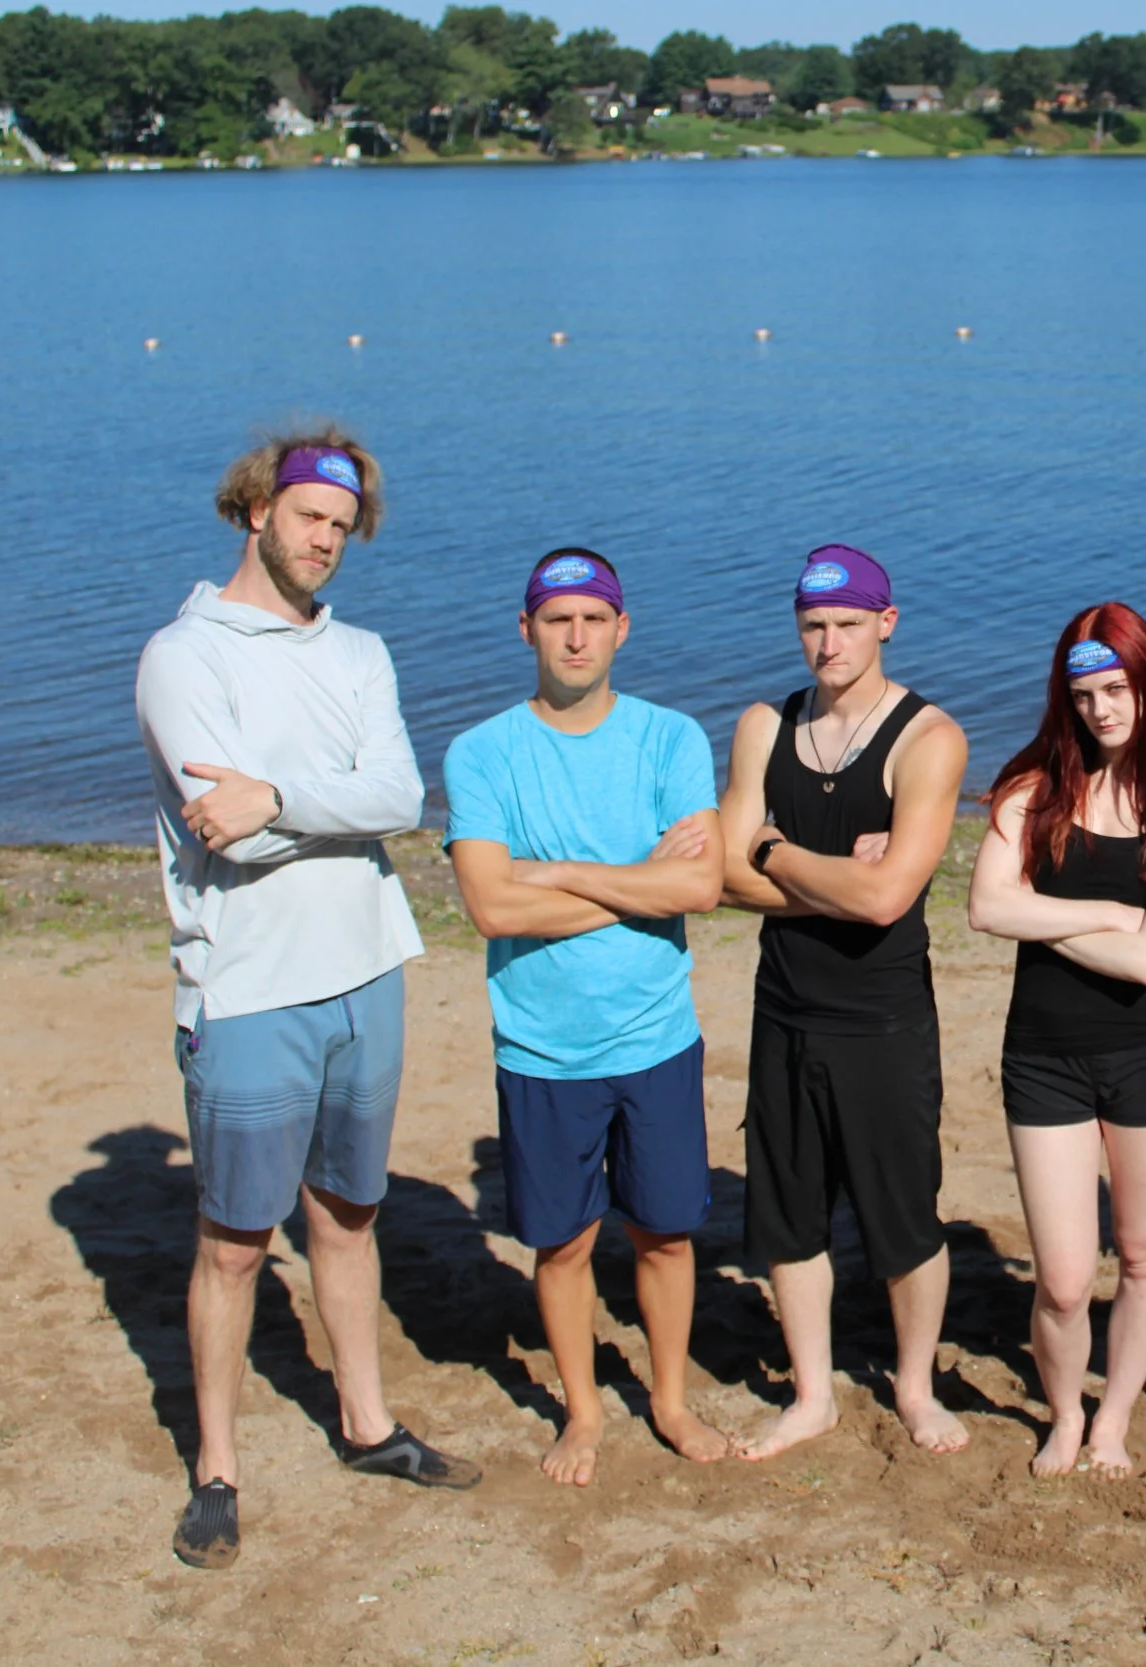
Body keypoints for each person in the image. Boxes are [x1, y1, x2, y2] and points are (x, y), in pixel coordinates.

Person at [135, 428, 478, 1571]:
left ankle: (368, 1424)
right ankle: (217, 1467)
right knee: (236, 1242)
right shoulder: (185, 654)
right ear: (257, 512)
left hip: (367, 967)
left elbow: (400, 797)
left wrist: (280, 794)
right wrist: (328, 803)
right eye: (307, 517)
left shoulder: (360, 652)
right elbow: (222, 834)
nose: (324, 539)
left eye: (340, 524)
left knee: (347, 1214)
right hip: (246, 985)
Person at [442, 548, 731, 1487]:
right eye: (558, 619)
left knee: (666, 1233)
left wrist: (558, 872)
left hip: (655, 1035)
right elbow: (493, 908)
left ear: (621, 629)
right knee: (562, 1243)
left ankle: (670, 1400)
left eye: (594, 619)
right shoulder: (482, 752)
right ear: (526, 628)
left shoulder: (670, 738)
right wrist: (639, 882)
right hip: (542, 1045)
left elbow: (702, 885)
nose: (576, 637)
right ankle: (583, 1409)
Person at [718, 545, 972, 1459]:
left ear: (886, 623)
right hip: (785, 1005)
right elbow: (722, 878)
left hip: (882, 1017)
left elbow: (885, 898)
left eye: (848, 624)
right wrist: (834, 877)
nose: (829, 643)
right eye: (814, 625)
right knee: (788, 1213)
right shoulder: (764, 725)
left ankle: (916, 1384)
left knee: (903, 1216)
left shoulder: (929, 738)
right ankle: (813, 1392)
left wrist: (774, 851)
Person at [966, 605, 1146, 1478]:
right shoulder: (1032, 789)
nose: (1101, 710)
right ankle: (1065, 1412)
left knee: (1144, 1253)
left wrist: (1045, 918)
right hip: (1042, 1056)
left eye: (1117, 689)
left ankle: (1112, 1417)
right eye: (1083, 695)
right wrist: (1111, 910)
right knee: (1065, 1278)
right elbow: (985, 907)